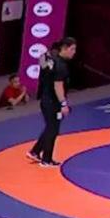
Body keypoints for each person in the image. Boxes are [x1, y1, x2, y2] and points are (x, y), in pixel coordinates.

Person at [28, 37, 76, 167]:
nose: (74, 52)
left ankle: (35, 151)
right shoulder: (61, 66)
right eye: (72, 49)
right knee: (53, 129)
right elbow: (58, 86)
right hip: (52, 101)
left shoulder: (50, 56)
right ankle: (46, 160)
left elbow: (42, 62)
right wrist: (63, 104)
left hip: (45, 98)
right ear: (64, 48)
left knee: (50, 127)